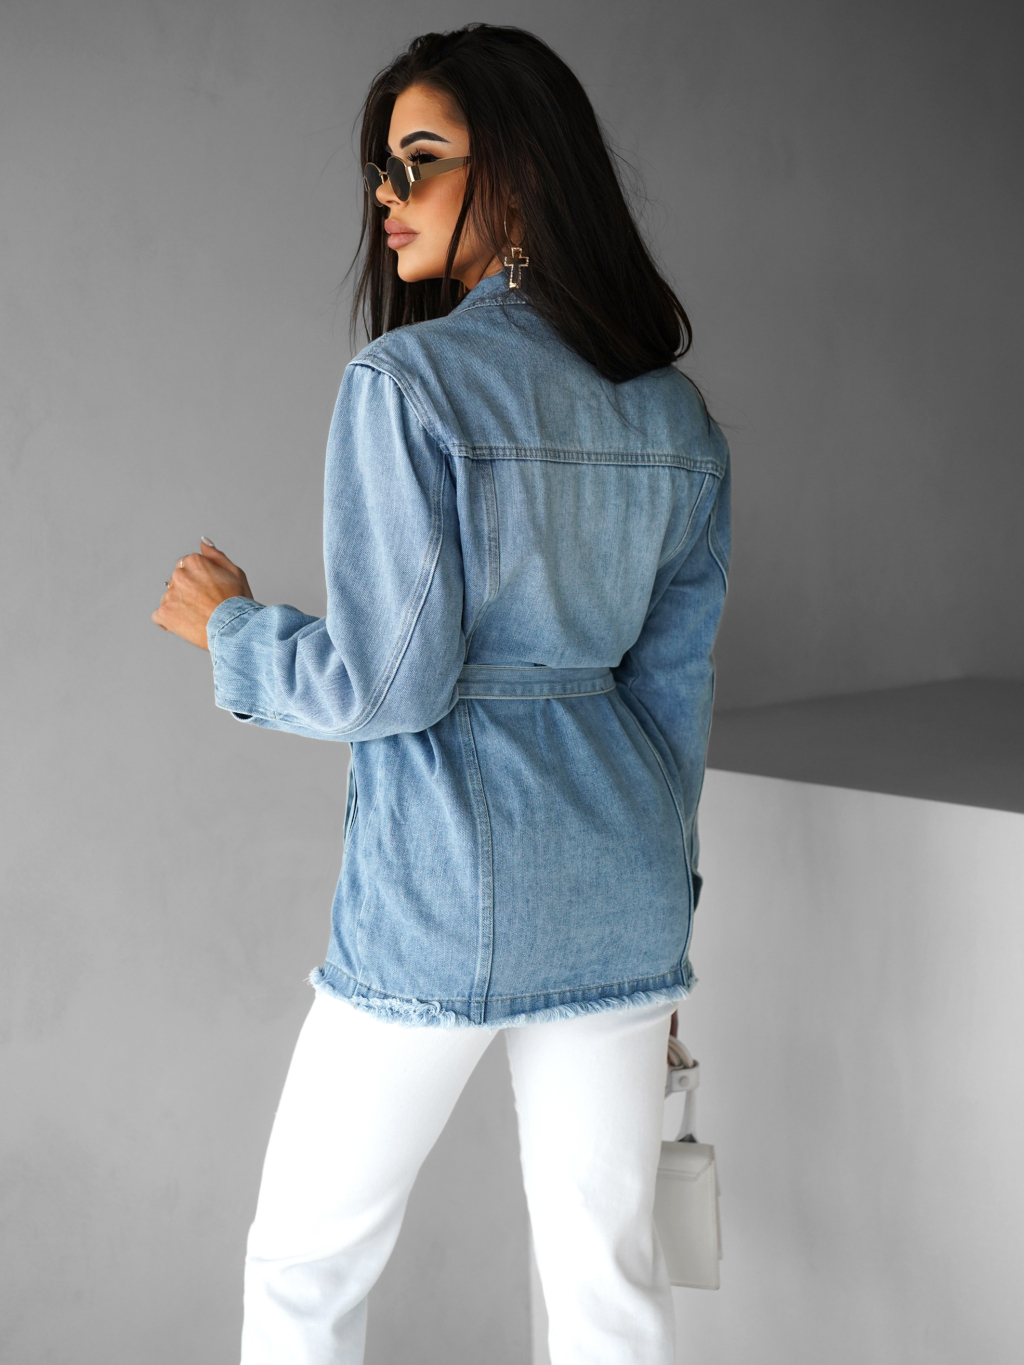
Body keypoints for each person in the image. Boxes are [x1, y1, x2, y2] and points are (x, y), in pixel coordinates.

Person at [152, 23, 730, 1365]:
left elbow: (389, 682)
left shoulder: (406, 385)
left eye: (420, 160)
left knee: (306, 1267)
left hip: (439, 882)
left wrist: (233, 631)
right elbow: (673, 702)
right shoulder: (674, 419)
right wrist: (666, 903)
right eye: (382, 167)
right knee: (607, 1290)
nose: (387, 194)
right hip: (621, 884)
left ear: (517, 172)